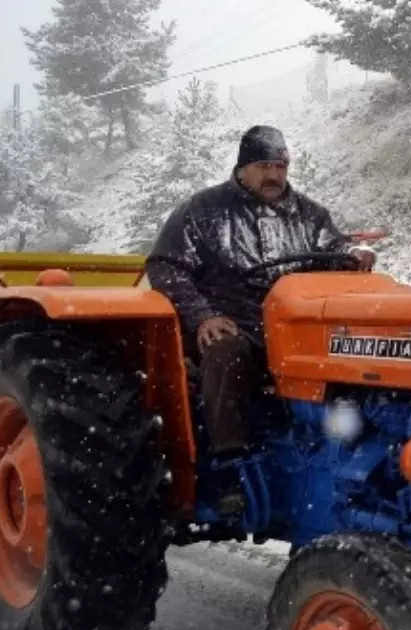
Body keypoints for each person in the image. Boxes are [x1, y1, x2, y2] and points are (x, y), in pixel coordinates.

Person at [145, 124, 376, 513]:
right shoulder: (203, 212)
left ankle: (350, 451)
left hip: (297, 330)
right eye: (264, 166)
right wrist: (203, 317)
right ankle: (229, 467)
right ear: (242, 168)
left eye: (280, 166)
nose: (274, 175)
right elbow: (166, 268)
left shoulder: (310, 215)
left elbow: (334, 251)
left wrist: (354, 257)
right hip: (235, 324)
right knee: (225, 349)